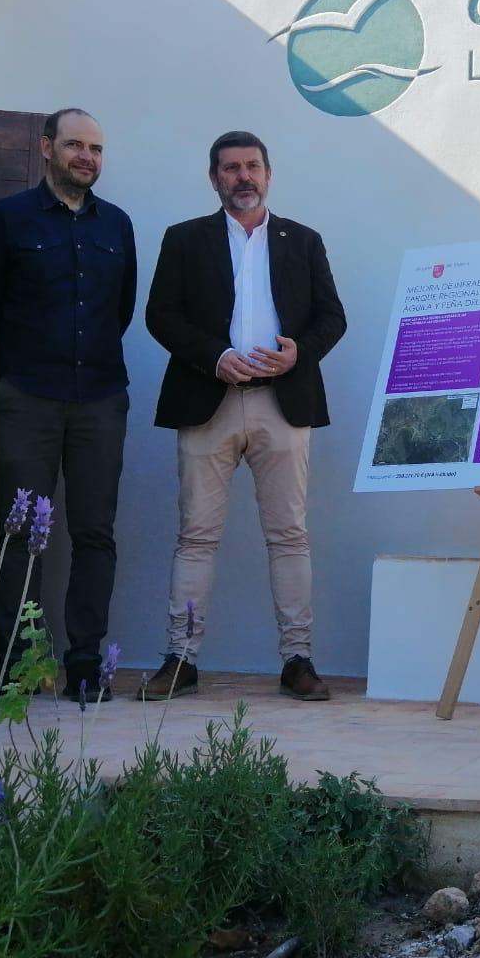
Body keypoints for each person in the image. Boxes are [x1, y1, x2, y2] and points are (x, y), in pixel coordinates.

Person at [139, 130, 346, 701]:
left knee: (289, 535)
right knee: (196, 536)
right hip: (209, 400)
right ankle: (180, 659)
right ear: (214, 179)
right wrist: (214, 357)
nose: (243, 177)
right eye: (230, 168)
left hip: (286, 401)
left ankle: (298, 659)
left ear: (269, 174)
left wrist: (299, 351)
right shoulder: (185, 239)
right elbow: (160, 315)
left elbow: (333, 317)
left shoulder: (303, 240)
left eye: (253, 166)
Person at [0, 108, 137, 702]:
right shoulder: (7, 218)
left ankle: (85, 662)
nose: (86, 157)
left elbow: (120, 312)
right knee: (22, 535)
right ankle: (21, 663)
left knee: (95, 533)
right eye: (74, 145)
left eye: (95, 148)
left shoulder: (117, 225)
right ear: (47, 149)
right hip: (29, 397)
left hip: (99, 398)